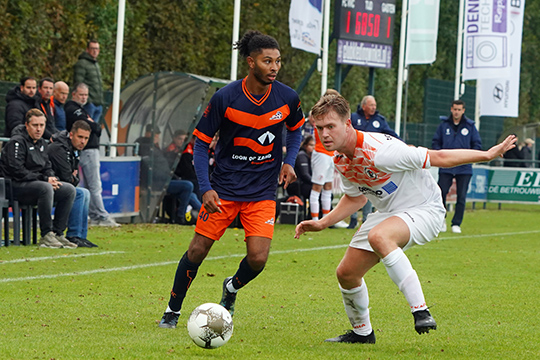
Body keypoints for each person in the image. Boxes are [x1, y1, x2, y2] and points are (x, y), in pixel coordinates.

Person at [294, 93, 516, 344]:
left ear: (348, 124)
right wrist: (323, 222)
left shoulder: (382, 152)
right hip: (390, 213)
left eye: (330, 127)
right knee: (346, 273)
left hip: (425, 209)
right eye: (319, 127)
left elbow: (438, 158)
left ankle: (421, 310)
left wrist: (486, 154)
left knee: (380, 236)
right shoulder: (342, 160)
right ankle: (362, 333)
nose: (324, 134)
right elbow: (356, 198)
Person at [158, 30, 304, 328]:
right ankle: (172, 311)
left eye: (278, 61)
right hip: (223, 190)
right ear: (251, 63)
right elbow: (200, 143)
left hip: (262, 192)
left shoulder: (287, 97)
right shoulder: (225, 97)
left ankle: (231, 287)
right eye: (267, 61)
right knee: (197, 251)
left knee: (258, 258)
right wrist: (206, 188)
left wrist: (288, 162)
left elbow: (297, 129)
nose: (274, 67)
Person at [0, 109, 77, 248]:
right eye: (35, 125)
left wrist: (51, 177)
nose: (39, 129)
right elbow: (17, 171)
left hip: (36, 184)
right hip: (15, 186)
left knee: (68, 190)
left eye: (42, 125)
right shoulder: (16, 142)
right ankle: (46, 234)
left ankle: (58, 233)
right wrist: (44, 179)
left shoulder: (42, 143)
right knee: (45, 188)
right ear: (27, 125)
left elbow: (47, 166)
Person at [65, 83, 119, 227]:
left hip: (89, 150)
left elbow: (96, 128)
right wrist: (93, 124)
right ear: (74, 94)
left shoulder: (82, 109)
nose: (84, 98)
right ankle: (101, 215)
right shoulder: (72, 108)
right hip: (88, 151)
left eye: (86, 95)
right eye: (81, 95)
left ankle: (95, 216)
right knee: (94, 185)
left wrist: (93, 125)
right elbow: (93, 127)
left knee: (90, 186)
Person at [348, 95, 401, 229]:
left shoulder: (380, 120)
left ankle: (366, 219)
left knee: (369, 189)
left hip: (372, 162)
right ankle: (353, 219)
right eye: (371, 105)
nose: (373, 108)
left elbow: (391, 135)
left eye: (375, 105)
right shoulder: (354, 118)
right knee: (354, 189)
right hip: (354, 160)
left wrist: (403, 145)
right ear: (364, 106)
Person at [432, 100, 482, 234]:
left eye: (459, 109)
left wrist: (469, 157)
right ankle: (441, 220)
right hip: (446, 165)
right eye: (455, 109)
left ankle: (456, 223)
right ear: (451, 109)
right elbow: (436, 142)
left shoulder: (470, 126)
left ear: (463, 110)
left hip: (464, 167)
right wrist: (440, 155)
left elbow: (477, 145)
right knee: (440, 193)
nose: (456, 112)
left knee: (461, 196)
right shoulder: (444, 126)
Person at [136, 126, 201, 224]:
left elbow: (165, 168)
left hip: (165, 179)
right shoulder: (147, 147)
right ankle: (181, 215)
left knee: (189, 192)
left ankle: (205, 215)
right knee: (188, 185)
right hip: (157, 183)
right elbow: (149, 169)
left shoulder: (155, 148)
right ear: (147, 134)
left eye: (157, 135)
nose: (156, 137)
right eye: (153, 134)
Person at [48, 120, 98, 248]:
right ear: (71, 135)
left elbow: (73, 178)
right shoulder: (59, 148)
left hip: (61, 185)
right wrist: (73, 177)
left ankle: (81, 236)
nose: (83, 141)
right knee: (79, 193)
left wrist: (73, 177)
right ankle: (73, 235)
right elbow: (67, 177)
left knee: (85, 192)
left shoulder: (73, 149)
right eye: (80, 137)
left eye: (86, 138)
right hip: (49, 185)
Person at [309, 105, 347, 228]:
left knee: (328, 185)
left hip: (331, 154)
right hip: (321, 153)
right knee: (317, 186)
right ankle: (315, 219)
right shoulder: (319, 116)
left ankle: (326, 219)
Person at [73, 40, 104, 122]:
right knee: (86, 127)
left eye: (97, 49)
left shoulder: (96, 64)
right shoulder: (82, 63)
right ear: (87, 50)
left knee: (93, 130)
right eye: (92, 48)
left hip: (98, 103)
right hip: (89, 104)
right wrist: (87, 101)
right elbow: (78, 82)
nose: (95, 51)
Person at [287, 135, 314, 201]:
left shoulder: (311, 156)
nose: (313, 147)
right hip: (298, 186)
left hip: (303, 184)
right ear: (305, 145)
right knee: (318, 192)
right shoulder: (302, 155)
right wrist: (316, 183)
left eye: (314, 145)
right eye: (311, 145)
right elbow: (305, 175)